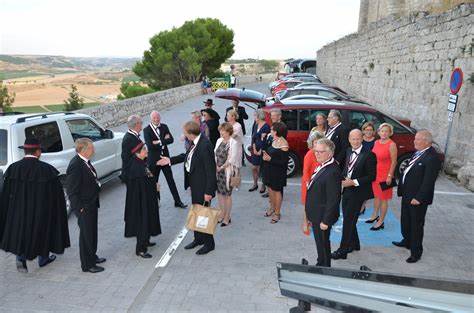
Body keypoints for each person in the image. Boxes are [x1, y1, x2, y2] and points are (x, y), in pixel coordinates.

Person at [0, 138, 70, 273]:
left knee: (21, 232)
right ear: (38, 152)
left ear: (25, 151)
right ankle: (43, 259)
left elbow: (6, 193)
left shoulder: (13, 168)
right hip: (41, 211)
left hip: (19, 210)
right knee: (42, 232)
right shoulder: (47, 170)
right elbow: (56, 196)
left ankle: (21, 258)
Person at [394, 130, 441, 263]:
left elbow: (428, 181)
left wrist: (419, 198)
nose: (414, 141)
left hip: (417, 199)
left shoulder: (432, 158)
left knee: (416, 225)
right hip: (407, 195)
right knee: (405, 221)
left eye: (418, 139)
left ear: (427, 142)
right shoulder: (419, 152)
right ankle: (407, 241)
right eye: (415, 139)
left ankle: (416, 252)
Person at [331, 130, 376, 260]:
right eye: (353, 139)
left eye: (358, 139)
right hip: (347, 190)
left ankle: (343, 250)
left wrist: (353, 182)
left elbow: (372, 176)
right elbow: (347, 168)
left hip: (358, 192)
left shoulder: (369, 155)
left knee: (348, 221)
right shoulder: (348, 151)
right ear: (349, 139)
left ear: (362, 138)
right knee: (349, 218)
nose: (355, 141)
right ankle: (355, 244)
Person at [66, 138, 106, 273]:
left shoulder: (85, 162)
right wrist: (80, 208)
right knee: (86, 236)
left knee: (92, 233)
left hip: (92, 204)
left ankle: (93, 257)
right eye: (91, 148)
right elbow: (71, 190)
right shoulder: (75, 165)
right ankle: (87, 265)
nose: (93, 150)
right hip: (84, 207)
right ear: (84, 150)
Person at [182, 121, 217, 255]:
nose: (184, 135)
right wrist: (170, 160)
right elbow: (189, 159)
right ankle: (198, 239)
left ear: (190, 133)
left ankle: (209, 244)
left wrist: (209, 191)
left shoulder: (205, 145)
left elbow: (210, 170)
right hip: (195, 185)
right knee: (197, 212)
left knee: (204, 215)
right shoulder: (195, 143)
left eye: (185, 132)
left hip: (203, 187)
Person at [305, 138, 341, 267]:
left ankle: (325, 268)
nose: (317, 154)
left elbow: (334, 199)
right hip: (316, 214)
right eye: (316, 151)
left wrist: (326, 221)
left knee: (323, 243)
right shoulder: (323, 165)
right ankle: (320, 262)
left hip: (322, 216)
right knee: (320, 243)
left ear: (330, 153)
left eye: (320, 152)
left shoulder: (332, 171)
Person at [124, 143, 162, 258]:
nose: (146, 151)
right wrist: (154, 186)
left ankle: (146, 240)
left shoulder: (140, 162)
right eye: (144, 150)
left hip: (146, 199)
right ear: (137, 153)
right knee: (142, 224)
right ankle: (140, 249)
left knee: (147, 221)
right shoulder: (136, 166)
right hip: (140, 202)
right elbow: (141, 186)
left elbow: (148, 177)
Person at [143, 111, 186, 208]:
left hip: (165, 158)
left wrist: (157, 142)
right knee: (154, 181)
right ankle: (156, 201)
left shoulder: (164, 126)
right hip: (154, 160)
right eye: (154, 118)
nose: (156, 119)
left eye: (158, 117)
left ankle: (177, 201)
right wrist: (163, 140)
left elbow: (171, 140)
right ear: (151, 119)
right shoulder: (146, 130)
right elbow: (149, 145)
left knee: (171, 180)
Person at [367, 123, 397, 231]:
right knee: (376, 196)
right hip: (376, 174)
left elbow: (394, 162)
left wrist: (390, 176)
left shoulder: (391, 144)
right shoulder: (376, 142)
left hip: (385, 175)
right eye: (382, 131)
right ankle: (375, 215)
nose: (384, 133)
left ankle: (381, 221)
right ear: (379, 132)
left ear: (390, 133)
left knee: (384, 199)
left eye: (386, 131)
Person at [262, 122, 289, 224]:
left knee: (277, 191)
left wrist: (270, 159)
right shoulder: (273, 139)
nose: (270, 131)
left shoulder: (284, 144)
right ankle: (272, 208)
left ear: (276, 131)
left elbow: (284, 162)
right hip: (269, 170)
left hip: (278, 172)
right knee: (270, 190)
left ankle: (277, 213)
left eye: (272, 130)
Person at [214, 123, 240, 227]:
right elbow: (214, 154)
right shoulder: (219, 140)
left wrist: (222, 167)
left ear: (228, 131)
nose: (221, 132)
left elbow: (232, 159)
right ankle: (222, 214)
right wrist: (216, 166)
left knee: (227, 195)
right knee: (220, 193)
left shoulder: (233, 142)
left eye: (223, 131)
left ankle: (227, 217)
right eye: (220, 130)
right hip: (217, 171)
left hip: (227, 171)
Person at [261, 108, 283, 198]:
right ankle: (271, 192)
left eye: (274, 116)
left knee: (277, 179)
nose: (272, 117)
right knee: (270, 177)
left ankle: (278, 196)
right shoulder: (274, 125)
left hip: (276, 157)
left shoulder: (282, 127)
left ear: (279, 116)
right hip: (270, 156)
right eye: (271, 115)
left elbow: (280, 142)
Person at [248, 109, 270, 192]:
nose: (254, 117)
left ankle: (263, 185)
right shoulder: (255, 124)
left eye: (254, 115)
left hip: (262, 149)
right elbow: (253, 137)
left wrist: (260, 150)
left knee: (263, 168)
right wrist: (254, 149)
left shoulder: (266, 126)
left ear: (259, 116)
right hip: (255, 149)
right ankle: (255, 184)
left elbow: (264, 140)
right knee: (254, 167)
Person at [301, 131, 325, 205]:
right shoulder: (310, 154)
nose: (317, 144)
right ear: (312, 143)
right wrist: (310, 186)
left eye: (319, 142)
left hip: (320, 185)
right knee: (308, 208)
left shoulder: (324, 153)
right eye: (315, 142)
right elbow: (305, 172)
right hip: (310, 185)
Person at [359, 121, 377, 215]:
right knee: (359, 186)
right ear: (363, 131)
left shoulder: (376, 141)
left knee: (367, 188)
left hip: (371, 167)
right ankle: (359, 204)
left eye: (370, 130)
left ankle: (362, 206)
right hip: (360, 165)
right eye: (366, 130)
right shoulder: (360, 139)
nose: (369, 132)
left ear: (373, 131)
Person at [225, 99, 249, 166]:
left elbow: (246, 117)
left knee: (240, 145)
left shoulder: (241, 109)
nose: (234, 103)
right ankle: (233, 159)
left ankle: (242, 160)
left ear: (238, 102)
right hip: (231, 127)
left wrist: (238, 114)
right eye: (233, 102)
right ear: (231, 102)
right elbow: (225, 119)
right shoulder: (228, 109)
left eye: (236, 102)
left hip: (239, 129)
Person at [121, 115, 143, 183]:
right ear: (137, 124)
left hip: (137, 173)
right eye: (141, 122)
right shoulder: (128, 139)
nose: (142, 124)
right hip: (133, 176)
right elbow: (125, 158)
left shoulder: (134, 136)